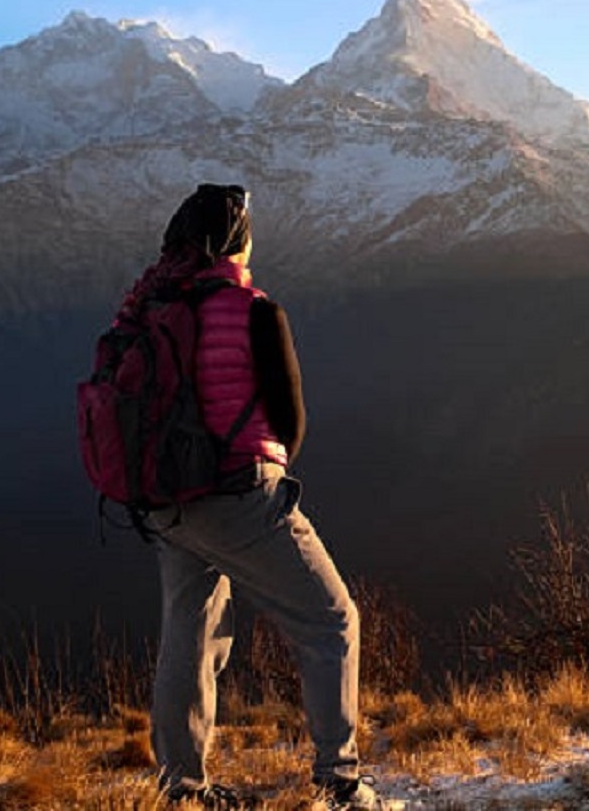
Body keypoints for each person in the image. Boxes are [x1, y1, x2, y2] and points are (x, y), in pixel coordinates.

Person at [113, 184, 383, 810]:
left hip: (166, 500)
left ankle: (180, 787)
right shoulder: (253, 309)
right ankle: (339, 781)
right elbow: (291, 419)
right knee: (331, 617)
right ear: (237, 241)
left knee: (190, 628)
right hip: (239, 492)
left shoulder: (148, 306)